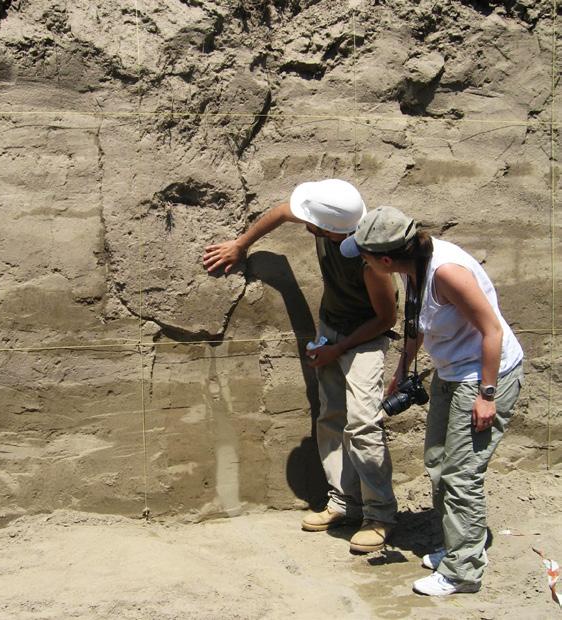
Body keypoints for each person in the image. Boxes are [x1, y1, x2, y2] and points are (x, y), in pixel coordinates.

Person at [203, 179, 398, 553]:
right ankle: (344, 502)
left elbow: (386, 318)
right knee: (330, 416)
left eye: (313, 223)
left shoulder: (371, 260)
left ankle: (380, 516)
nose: (305, 224)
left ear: (331, 229)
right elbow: (280, 212)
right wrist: (240, 245)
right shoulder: (332, 219)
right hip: (332, 326)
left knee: (362, 424)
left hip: (366, 337)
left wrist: (338, 348)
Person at [340, 206, 524, 595]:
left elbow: (491, 330)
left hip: (484, 376)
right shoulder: (414, 267)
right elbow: (415, 325)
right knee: (439, 460)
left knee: (461, 474)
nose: (365, 265)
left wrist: (486, 396)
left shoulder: (446, 272)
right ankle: (460, 546)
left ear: (385, 259)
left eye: (367, 258)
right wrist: (402, 370)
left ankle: (463, 571)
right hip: (452, 371)